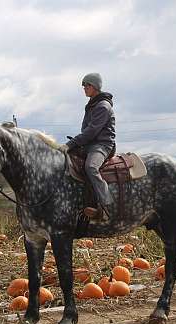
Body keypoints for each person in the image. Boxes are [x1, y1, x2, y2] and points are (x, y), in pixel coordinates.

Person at [61, 73, 116, 221]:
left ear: (95, 87)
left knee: (91, 167)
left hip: (102, 145)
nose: (84, 88)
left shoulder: (102, 106)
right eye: (83, 86)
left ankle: (106, 206)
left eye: (87, 85)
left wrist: (70, 144)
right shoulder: (92, 104)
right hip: (90, 144)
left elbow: (91, 132)